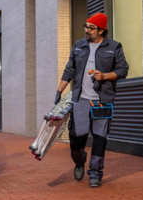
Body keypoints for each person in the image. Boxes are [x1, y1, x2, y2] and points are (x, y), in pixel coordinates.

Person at [55, 13, 128, 188]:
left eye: (91, 27)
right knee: (77, 136)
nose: (87, 30)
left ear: (101, 30)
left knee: (99, 138)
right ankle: (79, 161)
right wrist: (59, 91)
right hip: (81, 98)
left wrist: (104, 76)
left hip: (102, 100)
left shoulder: (114, 47)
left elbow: (123, 70)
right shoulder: (79, 46)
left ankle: (95, 173)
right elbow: (69, 69)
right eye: (86, 27)